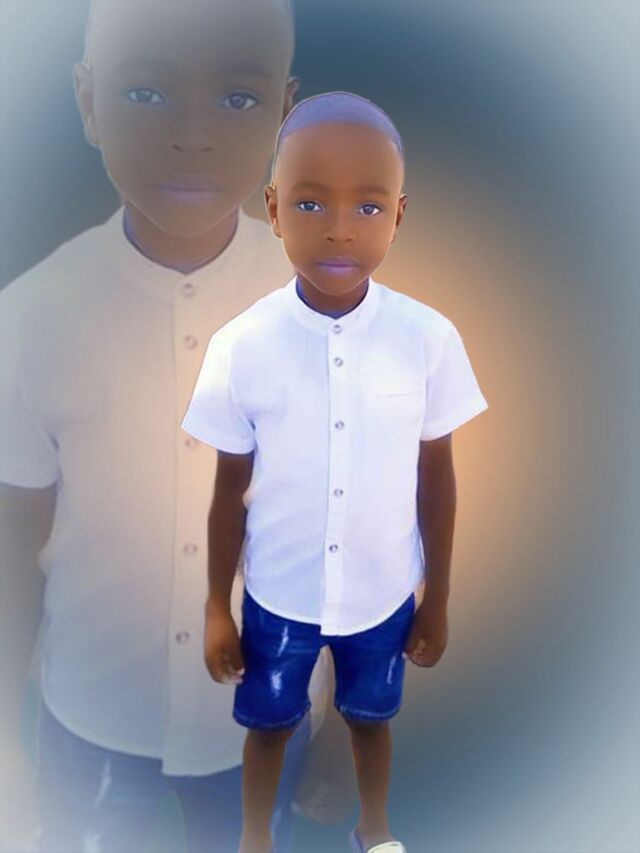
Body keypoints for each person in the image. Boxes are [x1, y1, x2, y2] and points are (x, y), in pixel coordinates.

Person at [0, 3, 348, 852]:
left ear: (283, 113)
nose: (192, 137)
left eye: (237, 99)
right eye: (147, 92)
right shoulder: (30, 320)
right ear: (88, 101)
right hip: (91, 716)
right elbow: (11, 552)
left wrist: (349, 719)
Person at [180, 91, 489, 853]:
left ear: (399, 216)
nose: (341, 228)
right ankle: (255, 839)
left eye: (369, 206)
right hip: (280, 594)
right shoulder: (241, 345)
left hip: (383, 594)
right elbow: (226, 491)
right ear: (274, 209)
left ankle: (373, 829)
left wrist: (438, 596)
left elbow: (438, 480)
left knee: (370, 720)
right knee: (268, 725)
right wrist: (217, 606)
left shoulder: (428, 339)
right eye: (311, 202)